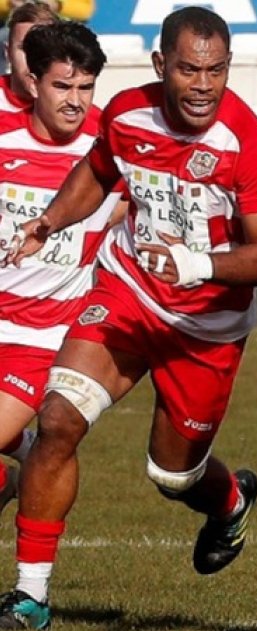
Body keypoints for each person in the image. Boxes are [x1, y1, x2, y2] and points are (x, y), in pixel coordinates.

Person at [0, 6, 257, 631]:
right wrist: (49, 220)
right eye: (189, 70)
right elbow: (98, 171)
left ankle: (231, 499)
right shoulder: (129, 113)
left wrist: (198, 264)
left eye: (216, 71)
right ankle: (31, 597)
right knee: (57, 422)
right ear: (162, 65)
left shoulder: (252, 144)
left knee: (173, 473)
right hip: (127, 296)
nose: (204, 85)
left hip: (204, 331)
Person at [0, 19, 112, 521]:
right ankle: (23, 459)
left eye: (85, 88)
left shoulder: (113, 146)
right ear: (33, 83)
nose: (75, 100)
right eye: (62, 86)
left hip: (42, 334)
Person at [0, 2, 57, 114]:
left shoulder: (86, 118)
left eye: (43, 48)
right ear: (8, 53)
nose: (33, 59)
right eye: (25, 48)